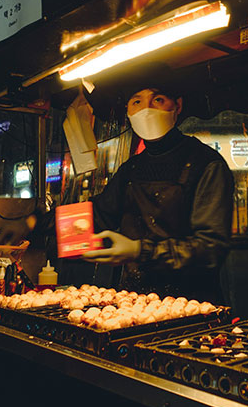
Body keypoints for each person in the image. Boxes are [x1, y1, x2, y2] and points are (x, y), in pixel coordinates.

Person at [81, 83, 234, 303]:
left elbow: (210, 248)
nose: (146, 110)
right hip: (133, 302)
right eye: (136, 102)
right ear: (128, 111)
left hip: (191, 305)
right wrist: (31, 223)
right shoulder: (132, 168)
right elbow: (99, 214)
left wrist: (138, 250)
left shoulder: (206, 164)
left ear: (178, 105)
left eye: (158, 100)